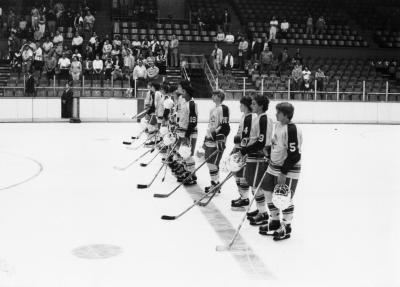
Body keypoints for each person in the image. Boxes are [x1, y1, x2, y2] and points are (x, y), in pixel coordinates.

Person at [259, 102, 302, 241]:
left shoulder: (292, 129)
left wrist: (283, 172)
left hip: (287, 169)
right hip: (273, 166)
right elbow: (276, 145)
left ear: (286, 115)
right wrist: (268, 151)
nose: (276, 114)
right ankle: (275, 220)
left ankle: (286, 226)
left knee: (283, 196)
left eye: (278, 112)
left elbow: (295, 155)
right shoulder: (278, 125)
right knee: (267, 190)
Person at [239, 94, 273, 226]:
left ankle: (263, 213)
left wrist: (245, 150)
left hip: (259, 156)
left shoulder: (264, 119)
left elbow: (262, 141)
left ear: (261, 106)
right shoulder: (257, 118)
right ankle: (260, 210)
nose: (251, 106)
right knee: (253, 184)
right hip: (253, 155)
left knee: (257, 185)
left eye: (254, 104)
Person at [231, 96, 257, 210]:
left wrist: (242, 151)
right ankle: (242, 196)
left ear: (246, 106)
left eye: (241, 104)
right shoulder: (245, 116)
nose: (239, 106)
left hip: (243, 149)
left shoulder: (249, 118)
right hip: (239, 148)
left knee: (241, 174)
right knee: (236, 173)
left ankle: (245, 198)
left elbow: (246, 137)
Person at [203, 90, 230, 194]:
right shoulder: (213, 109)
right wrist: (206, 138)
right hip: (209, 139)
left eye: (214, 94)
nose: (212, 96)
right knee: (211, 162)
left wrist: (217, 137)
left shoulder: (224, 108)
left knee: (212, 163)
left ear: (219, 96)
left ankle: (215, 184)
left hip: (217, 141)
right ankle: (215, 183)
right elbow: (211, 125)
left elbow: (225, 126)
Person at [174, 80, 198, 185]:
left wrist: (187, 135)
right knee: (184, 153)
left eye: (183, 92)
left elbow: (193, 121)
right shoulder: (186, 103)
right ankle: (187, 171)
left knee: (188, 154)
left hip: (190, 133)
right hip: (184, 132)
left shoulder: (192, 104)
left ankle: (192, 175)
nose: (181, 94)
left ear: (186, 92)